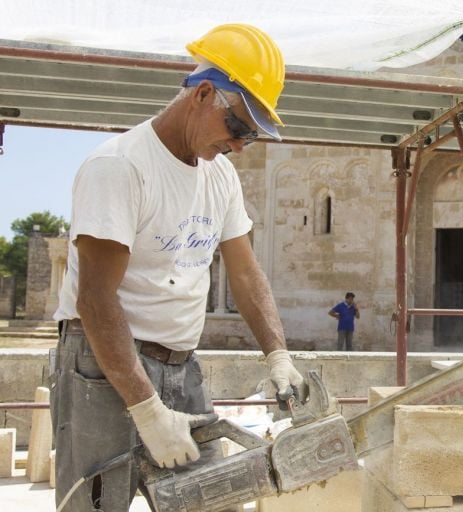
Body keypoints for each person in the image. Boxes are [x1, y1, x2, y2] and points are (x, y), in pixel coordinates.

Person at [50, 23, 304, 511]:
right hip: (103, 367)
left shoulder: (220, 176)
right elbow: (95, 299)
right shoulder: (120, 168)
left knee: (214, 500)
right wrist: (146, 410)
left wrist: (278, 356)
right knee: (94, 504)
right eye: (238, 127)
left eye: (251, 135)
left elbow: (246, 273)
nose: (239, 145)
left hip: (180, 367)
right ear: (204, 93)